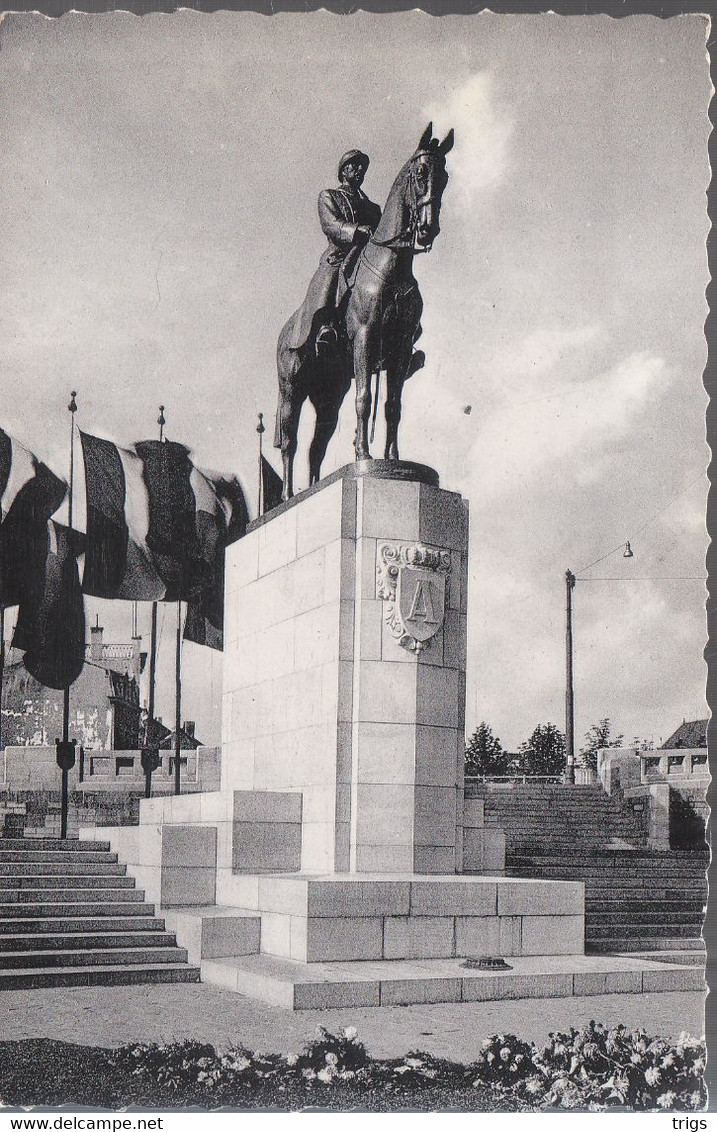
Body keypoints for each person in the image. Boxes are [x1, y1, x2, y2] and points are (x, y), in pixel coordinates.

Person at [286, 149, 382, 356]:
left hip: (368, 256)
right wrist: (356, 230)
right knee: (330, 275)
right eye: (354, 165)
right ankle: (325, 325)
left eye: (362, 167)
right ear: (343, 170)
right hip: (340, 253)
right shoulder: (329, 196)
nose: (359, 170)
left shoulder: (373, 208)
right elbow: (331, 224)